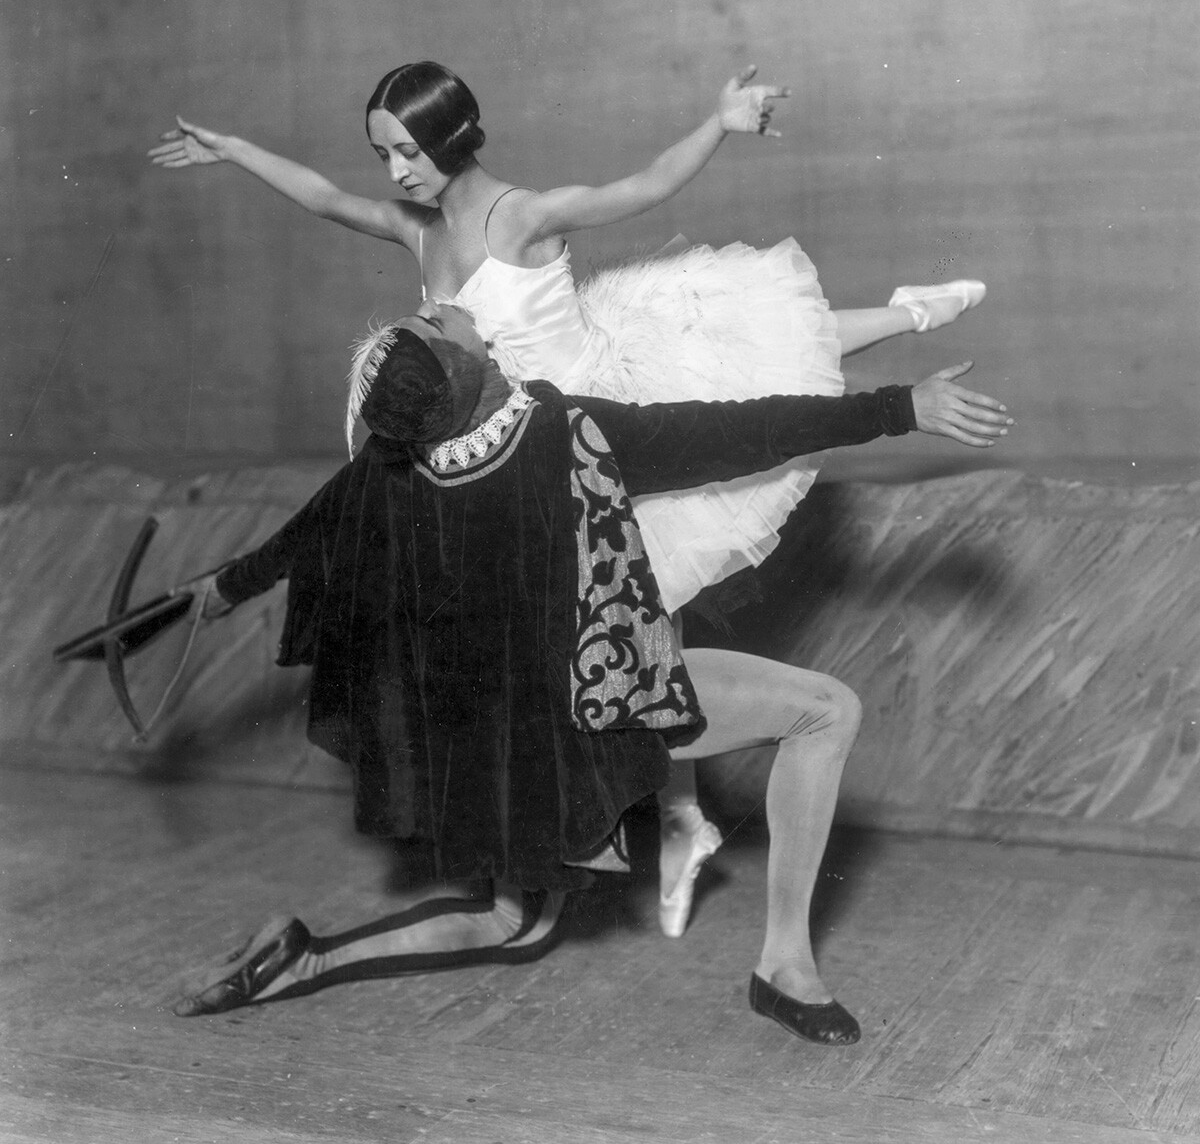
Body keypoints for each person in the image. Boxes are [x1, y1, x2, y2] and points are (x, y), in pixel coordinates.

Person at [150, 62, 986, 935]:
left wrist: (719, 119)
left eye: (407, 151)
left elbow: (643, 186)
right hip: (522, 458)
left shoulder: (522, 215)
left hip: (593, 417)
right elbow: (323, 199)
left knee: (755, 388)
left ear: (452, 137)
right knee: (643, 613)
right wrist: (235, 149)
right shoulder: (419, 232)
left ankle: (906, 317)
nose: (395, 171)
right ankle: (679, 819)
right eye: (382, 154)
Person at [172, 301, 1012, 1042]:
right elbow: (735, 430)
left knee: (515, 925)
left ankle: (307, 958)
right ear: (464, 369)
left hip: (509, 738)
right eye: (436, 321)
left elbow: (309, 529)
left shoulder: (401, 466)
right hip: (602, 704)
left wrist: (218, 588)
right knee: (827, 711)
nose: (444, 306)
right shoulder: (566, 433)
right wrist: (902, 408)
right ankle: (784, 966)